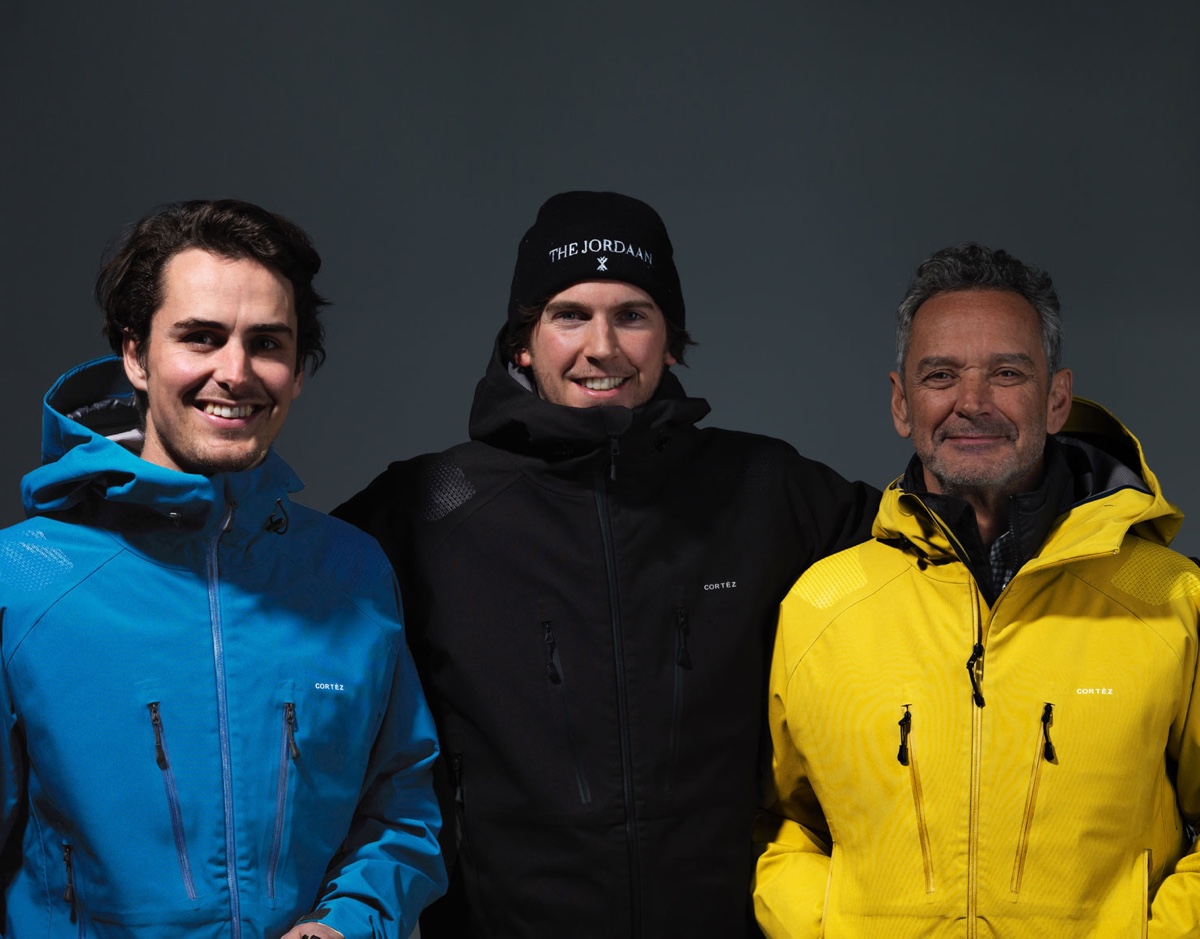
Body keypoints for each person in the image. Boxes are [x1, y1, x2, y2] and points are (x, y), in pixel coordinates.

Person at [334, 190, 879, 938]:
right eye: (569, 315)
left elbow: (938, 561)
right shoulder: (431, 505)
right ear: (522, 343)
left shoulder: (766, 488)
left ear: (671, 340)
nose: (602, 347)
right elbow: (271, 610)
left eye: (632, 315)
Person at [0, 199, 446, 939]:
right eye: (200, 337)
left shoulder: (351, 573)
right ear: (136, 355)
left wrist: (349, 923)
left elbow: (401, 809)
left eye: (266, 343)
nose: (235, 373)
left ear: (297, 372)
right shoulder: (23, 581)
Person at [754, 243, 1200, 937]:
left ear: (1056, 399)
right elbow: (784, 824)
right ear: (902, 402)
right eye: (940, 375)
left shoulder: (1171, 599)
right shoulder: (820, 605)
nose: (972, 402)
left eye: (1006, 373)